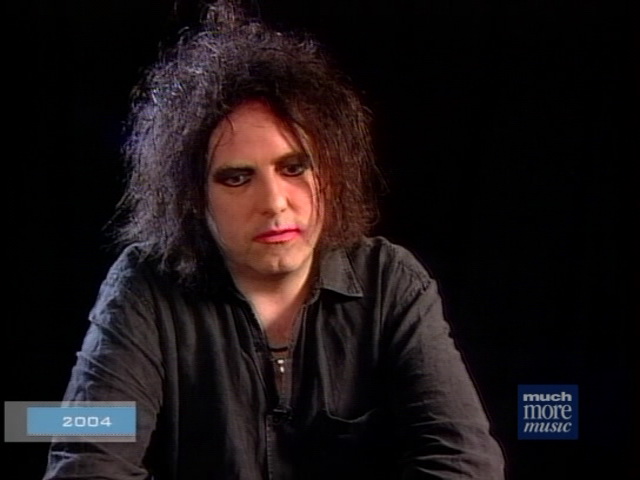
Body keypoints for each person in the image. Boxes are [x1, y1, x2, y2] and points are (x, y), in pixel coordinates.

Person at [44, 1, 505, 478]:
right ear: (193, 197)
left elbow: (466, 461)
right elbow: (87, 460)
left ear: (330, 171)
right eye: (237, 178)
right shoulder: (142, 286)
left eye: (294, 168)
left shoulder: (391, 281)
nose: (274, 202)